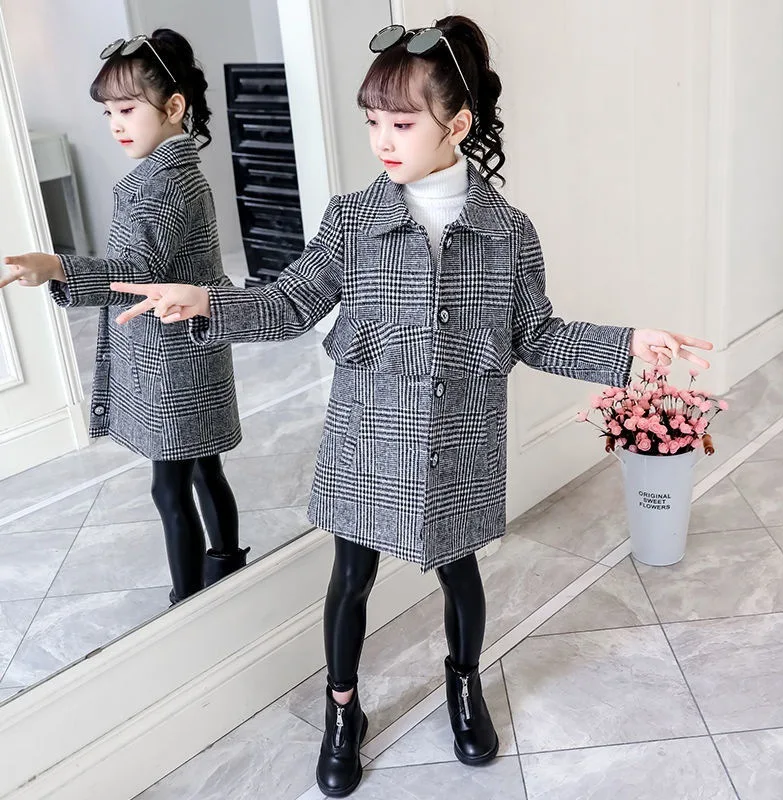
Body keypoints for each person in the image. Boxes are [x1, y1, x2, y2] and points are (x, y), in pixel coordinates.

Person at [52, 17, 711, 796]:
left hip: (459, 445)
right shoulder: (352, 220)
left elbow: (536, 333)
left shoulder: (508, 234)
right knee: (351, 580)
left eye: (401, 123)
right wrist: (206, 301)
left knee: (460, 575)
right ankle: (343, 711)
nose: (382, 141)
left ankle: (463, 687)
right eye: (372, 122)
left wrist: (626, 343)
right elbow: (290, 304)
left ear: (456, 125)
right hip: (365, 440)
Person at [0, 29, 249, 606]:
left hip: (173, 359)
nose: (115, 123)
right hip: (191, 347)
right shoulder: (174, 171)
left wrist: (58, 266)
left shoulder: (163, 181)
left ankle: (189, 601)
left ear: (174, 107)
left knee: (170, 487)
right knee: (205, 468)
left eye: (128, 109)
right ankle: (226, 571)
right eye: (108, 111)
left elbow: (138, 268)